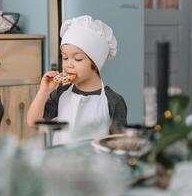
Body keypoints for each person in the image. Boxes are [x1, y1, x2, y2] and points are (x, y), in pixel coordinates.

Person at [27, 15, 127, 145]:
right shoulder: (61, 93)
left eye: (78, 59)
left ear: (95, 63)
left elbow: (120, 144)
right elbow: (33, 122)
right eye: (65, 58)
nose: (69, 64)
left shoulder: (114, 101)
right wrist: (44, 91)